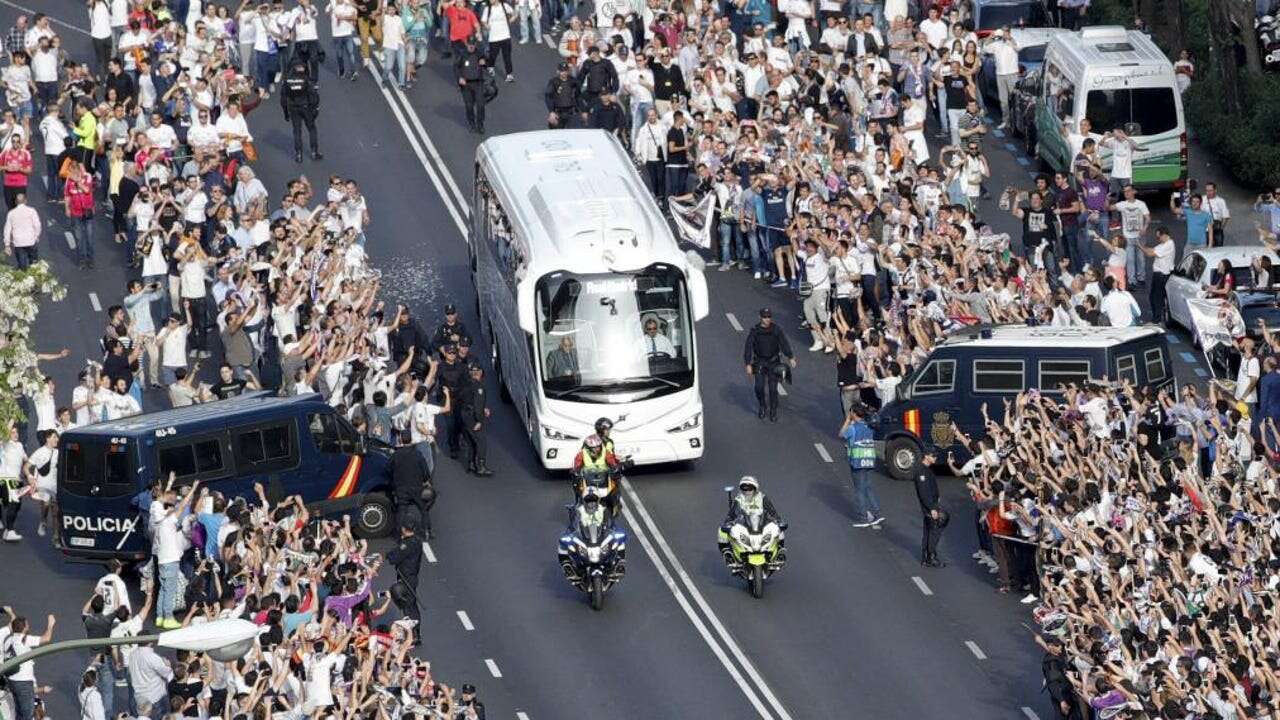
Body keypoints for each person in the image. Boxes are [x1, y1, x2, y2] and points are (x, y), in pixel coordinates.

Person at [0, 611, 56, 720]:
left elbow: (13, 624)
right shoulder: (24, 640)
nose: (29, 626)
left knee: (19, 713)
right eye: (27, 625)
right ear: (24, 628)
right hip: (23, 684)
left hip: (12, 681)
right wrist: (51, 624)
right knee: (27, 715)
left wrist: (11, 613)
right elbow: (46, 638)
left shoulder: (8, 640)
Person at [742, 307, 795, 422]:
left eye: (769, 317)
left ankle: (773, 410)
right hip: (760, 362)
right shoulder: (755, 331)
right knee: (759, 387)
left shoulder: (776, 329)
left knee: (772, 389)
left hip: (773, 362)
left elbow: (783, 343)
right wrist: (748, 364)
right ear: (760, 317)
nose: (767, 319)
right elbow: (748, 347)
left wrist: (790, 357)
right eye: (765, 317)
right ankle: (762, 405)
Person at [717, 476, 783, 564]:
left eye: (750, 488)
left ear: (755, 488)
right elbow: (731, 514)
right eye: (744, 488)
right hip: (743, 523)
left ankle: (779, 553)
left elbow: (772, 511)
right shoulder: (739, 499)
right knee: (721, 532)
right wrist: (728, 522)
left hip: (761, 522)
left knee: (779, 530)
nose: (747, 491)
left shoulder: (762, 497)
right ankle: (729, 556)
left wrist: (778, 520)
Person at [839, 404, 883, 528]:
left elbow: (841, 434)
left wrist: (848, 420)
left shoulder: (853, 428)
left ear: (853, 413)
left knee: (859, 490)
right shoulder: (869, 426)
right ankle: (877, 513)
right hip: (869, 460)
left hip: (857, 462)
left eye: (851, 412)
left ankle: (863, 518)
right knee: (868, 487)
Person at [387, 521, 424, 644]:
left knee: (408, 607)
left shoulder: (408, 544)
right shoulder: (416, 540)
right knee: (411, 605)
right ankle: (415, 634)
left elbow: (394, 558)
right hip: (411, 577)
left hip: (406, 578)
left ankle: (413, 635)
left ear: (404, 529)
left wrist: (390, 554)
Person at [280, 59, 322, 163]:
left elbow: (283, 98)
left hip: (293, 108)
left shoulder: (287, 81)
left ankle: (298, 154)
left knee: (297, 131)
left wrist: (285, 113)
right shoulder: (306, 79)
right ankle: (314, 152)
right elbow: (314, 95)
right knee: (312, 129)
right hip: (306, 107)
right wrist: (315, 108)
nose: (302, 68)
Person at [914, 450, 946, 567]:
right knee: (934, 531)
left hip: (932, 504)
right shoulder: (921, 472)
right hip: (929, 506)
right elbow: (924, 493)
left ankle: (926, 557)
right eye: (933, 455)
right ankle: (930, 557)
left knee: (929, 530)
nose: (935, 458)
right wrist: (932, 508)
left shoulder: (926, 470)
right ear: (926, 456)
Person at [458, 363, 492, 475]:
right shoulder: (478, 386)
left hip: (464, 414)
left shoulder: (465, 383)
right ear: (480, 373)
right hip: (472, 416)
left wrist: (483, 409)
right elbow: (477, 405)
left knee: (471, 441)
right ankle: (481, 466)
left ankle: (471, 464)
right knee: (481, 441)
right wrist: (478, 420)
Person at [455, 37, 488, 134]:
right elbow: (456, 67)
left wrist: (484, 62)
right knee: (469, 106)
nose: (471, 46)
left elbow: (488, 63)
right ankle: (472, 124)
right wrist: (459, 78)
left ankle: (480, 124)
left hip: (478, 83)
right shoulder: (462, 54)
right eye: (470, 44)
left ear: (475, 44)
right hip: (466, 84)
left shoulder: (479, 53)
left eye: (473, 44)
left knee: (480, 105)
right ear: (466, 44)